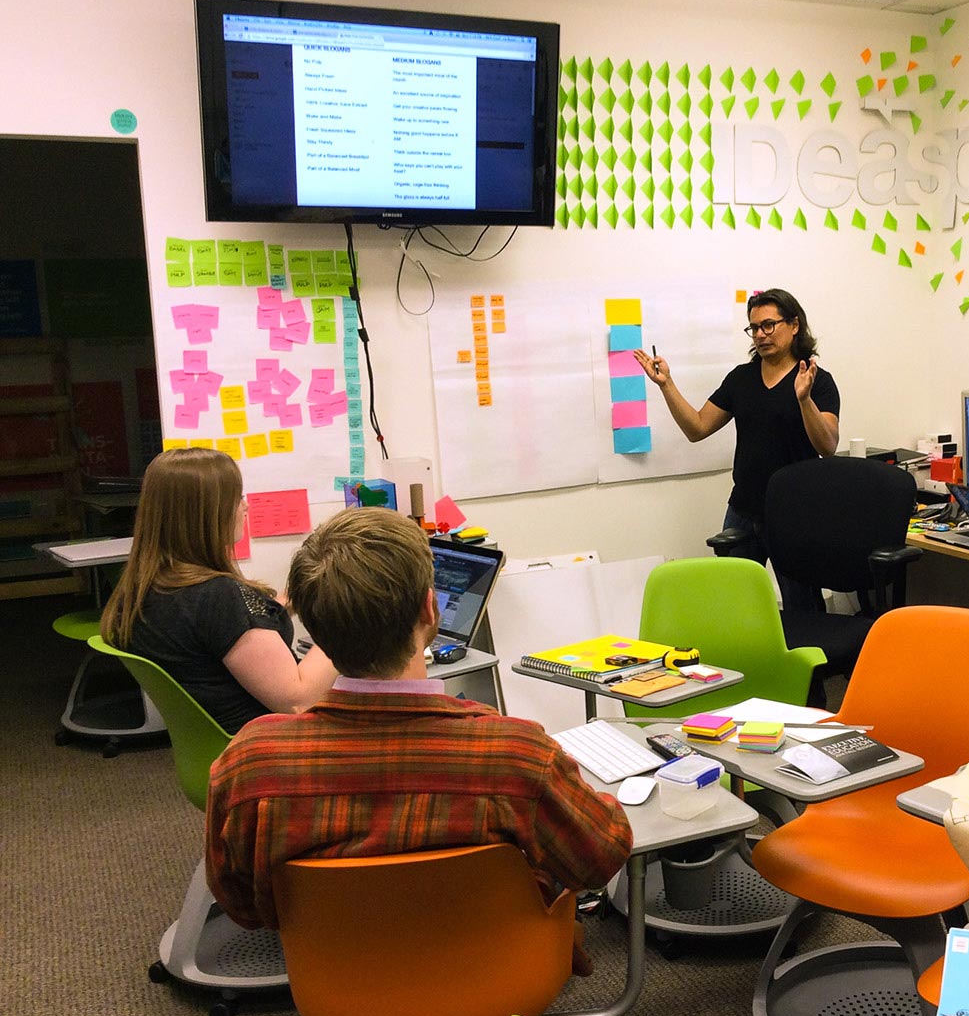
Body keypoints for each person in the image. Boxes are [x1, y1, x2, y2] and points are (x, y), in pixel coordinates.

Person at [205, 506, 631, 974]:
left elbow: (242, 905)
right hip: (499, 974)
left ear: (313, 627)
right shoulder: (517, 755)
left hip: (339, 986)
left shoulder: (250, 762)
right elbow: (601, 857)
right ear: (431, 610)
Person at [100, 447, 336, 735]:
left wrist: (286, 601)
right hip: (266, 748)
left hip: (221, 747)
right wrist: (345, 628)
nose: (245, 507)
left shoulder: (144, 588)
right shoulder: (220, 597)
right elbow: (298, 701)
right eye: (236, 498)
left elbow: (221, 629)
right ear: (206, 514)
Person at [633, 288, 840, 603]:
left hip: (795, 513)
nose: (760, 334)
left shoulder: (815, 380)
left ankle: (810, 654)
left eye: (769, 325)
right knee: (735, 603)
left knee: (802, 605)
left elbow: (828, 445)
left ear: (794, 325)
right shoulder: (741, 379)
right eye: (754, 328)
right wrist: (667, 385)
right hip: (743, 510)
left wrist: (804, 399)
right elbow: (697, 427)